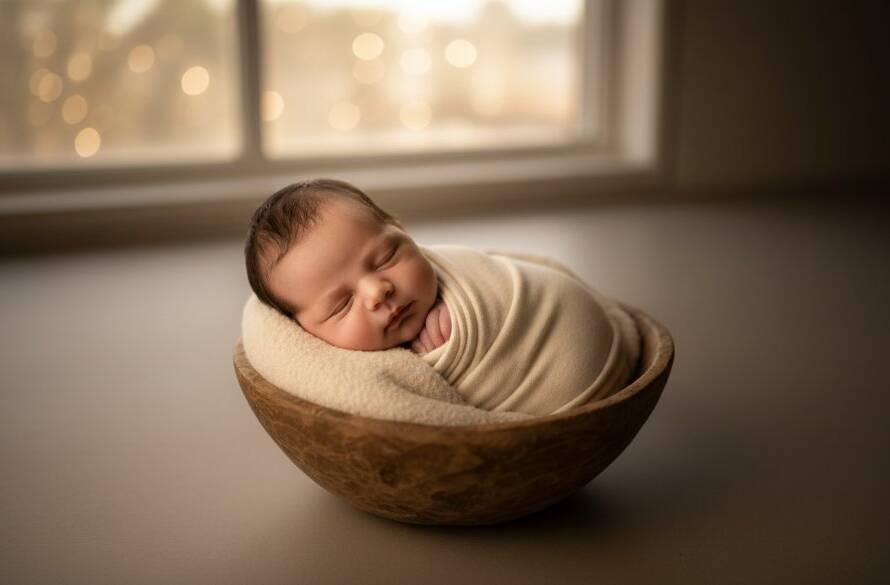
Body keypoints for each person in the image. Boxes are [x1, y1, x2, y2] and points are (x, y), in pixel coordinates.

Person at [244, 178, 451, 354]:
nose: (376, 292)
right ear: (304, 330)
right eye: (343, 304)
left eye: (385, 259)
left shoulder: (459, 274)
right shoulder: (342, 375)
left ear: (401, 230)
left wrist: (463, 319)